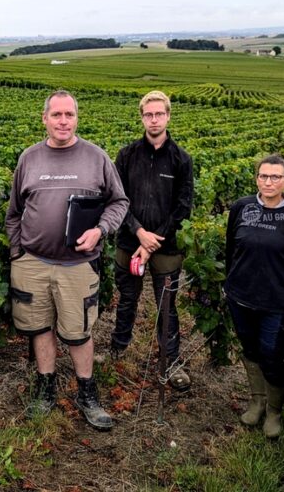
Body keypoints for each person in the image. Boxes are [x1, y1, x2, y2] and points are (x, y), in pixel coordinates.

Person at [5, 90, 129, 430]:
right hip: (32, 262)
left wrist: (101, 231)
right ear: (44, 118)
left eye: (69, 115)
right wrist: (18, 251)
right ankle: (46, 388)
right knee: (40, 327)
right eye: (56, 115)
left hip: (77, 265)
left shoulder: (96, 157)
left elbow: (119, 202)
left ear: (77, 118)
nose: (63, 121)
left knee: (78, 332)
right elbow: (14, 211)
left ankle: (86, 392)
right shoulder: (29, 158)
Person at [225, 155, 284, 439]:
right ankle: (257, 400)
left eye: (275, 177)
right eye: (263, 176)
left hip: (279, 303)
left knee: (273, 356)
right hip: (241, 298)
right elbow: (231, 250)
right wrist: (232, 284)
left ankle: (275, 410)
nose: (268, 181)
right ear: (256, 179)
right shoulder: (242, 208)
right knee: (251, 351)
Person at [111, 91, 194, 390]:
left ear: (168, 116)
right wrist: (138, 232)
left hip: (165, 246)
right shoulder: (127, 155)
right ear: (142, 117)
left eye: (159, 114)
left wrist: (152, 241)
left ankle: (171, 362)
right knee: (126, 299)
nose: (154, 119)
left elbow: (183, 206)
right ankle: (117, 349)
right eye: (149, 114)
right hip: (128, 241)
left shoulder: (182, 159)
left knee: (166, 306)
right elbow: (118, 200)